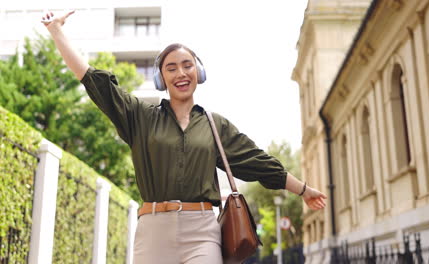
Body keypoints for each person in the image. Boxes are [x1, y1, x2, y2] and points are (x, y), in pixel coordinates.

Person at [41, 10, 327, 264]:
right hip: (153, 230)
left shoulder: (215, 125)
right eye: (171, 67)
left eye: (187, 65)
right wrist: (56, 31)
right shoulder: (140, 116)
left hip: (201, 231)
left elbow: (259, 162)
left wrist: (303, 189)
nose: (181, 72)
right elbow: (93, 79)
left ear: (198, 72)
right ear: (161, 79)